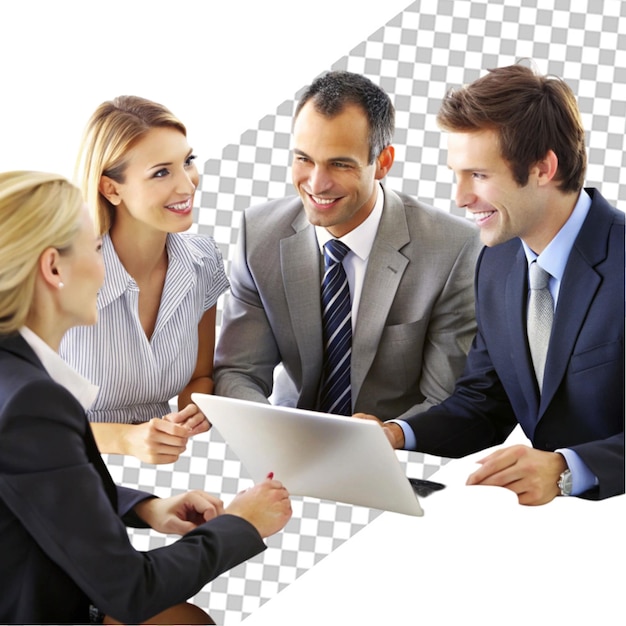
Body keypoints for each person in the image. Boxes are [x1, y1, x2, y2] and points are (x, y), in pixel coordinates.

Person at [0, 171, 292, 624]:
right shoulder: (33, 402)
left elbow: (38, 484)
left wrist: (143, 506)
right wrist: (243, 523)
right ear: (53, 268)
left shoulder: (15, 378)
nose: (107, 267)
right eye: (97, 250)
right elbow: (131, 589)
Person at [362, 63, 624, 505]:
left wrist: (567, 469)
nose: (460, 197)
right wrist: (392, 434)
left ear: (543, 168)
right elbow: (485, 404)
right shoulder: (496, 262)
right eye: (457, 174)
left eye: (479, 175)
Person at [214, 71, 481, 419]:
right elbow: (238, 372)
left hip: (394, 454)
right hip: (288, 448)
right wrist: (274, 432)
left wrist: (384, 436)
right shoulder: (259, 235)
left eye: (339, 164)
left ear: (382, 162)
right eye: (304, 159)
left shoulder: (453, 249)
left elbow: (444, 400)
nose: (316, 183)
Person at [60, 96, 228, 464]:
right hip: (63, 468)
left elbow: (199, 376)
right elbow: (14, 416)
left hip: (166, 468)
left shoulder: (202, 262)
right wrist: (123, 439)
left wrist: (196, 408)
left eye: (188, 162)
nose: (187, 186)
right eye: (161, 172)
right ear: (111, 189)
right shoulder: (58, 274)